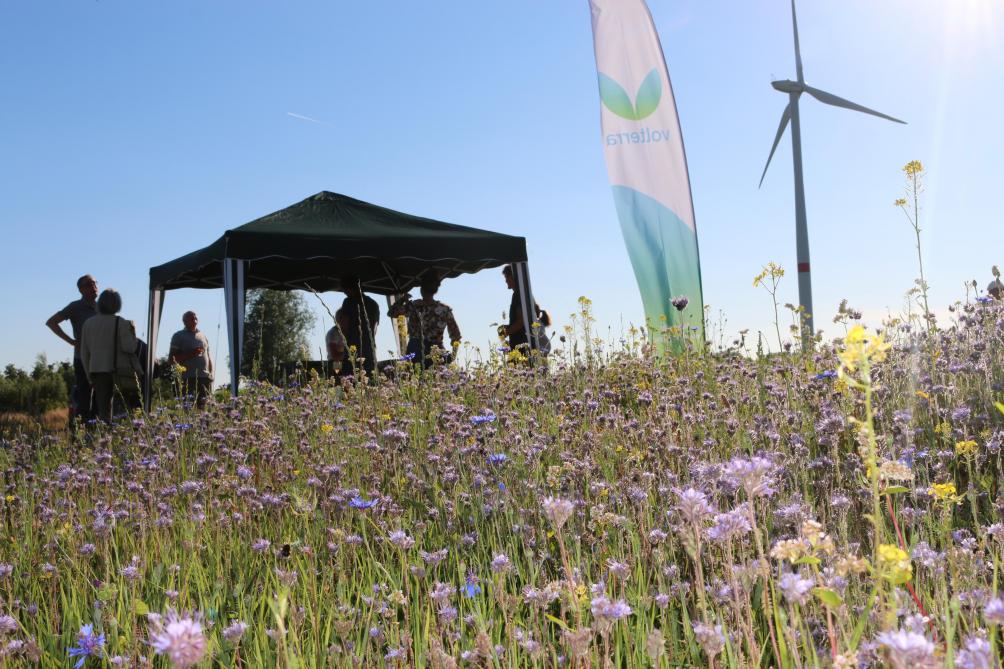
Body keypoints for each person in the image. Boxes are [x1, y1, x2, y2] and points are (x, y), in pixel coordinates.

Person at [80, 289, 143, 423]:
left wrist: (89, 376)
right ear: (118, 304)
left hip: (97, 370)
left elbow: (84, 353)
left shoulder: (88, 323)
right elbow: (130, 347)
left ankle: (105, 438)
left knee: (103, 411)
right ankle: (121, 438)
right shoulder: (122, 323)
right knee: (121, 410)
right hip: (119, 371)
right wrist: (133, 333)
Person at [389, 275, 462, 367]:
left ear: (421, 290)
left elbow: (391, 313)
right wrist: (453, 356)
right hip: (437, 350)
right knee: (436, 379)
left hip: (415, 350)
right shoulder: (444, 309)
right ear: (436, 290)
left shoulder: (414, 306)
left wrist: (402, 299)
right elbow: (456, 335)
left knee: (416, 378)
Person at [500, 264, 551, 354]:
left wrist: (506, 332)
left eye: (506, 277)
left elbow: (521, 321)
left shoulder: (518, 295)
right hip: (526, 345)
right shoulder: (525, 293)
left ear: (512, 277)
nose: (506, 281)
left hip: (523, 347)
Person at [168, 311, 214, 408]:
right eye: (192, 318)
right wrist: (191, 354)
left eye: (196, 318)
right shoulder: (178, 336)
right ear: (184, 321)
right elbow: (171, 359)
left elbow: (208, 356)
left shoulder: (203, 335)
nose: (195, 320)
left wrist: (211, 373)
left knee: (204, 409)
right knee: (189, 408)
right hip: (188, 379)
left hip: (204, 378)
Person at [338, 275, 380, 377]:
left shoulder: (348, 301)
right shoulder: (373, 303)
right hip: (369, 349)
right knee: (369, 379)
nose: (344, 292)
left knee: (350, 381)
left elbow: (344, 324)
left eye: (344, 289)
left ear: (349, 288)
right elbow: (374, 328)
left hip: (352, 347)